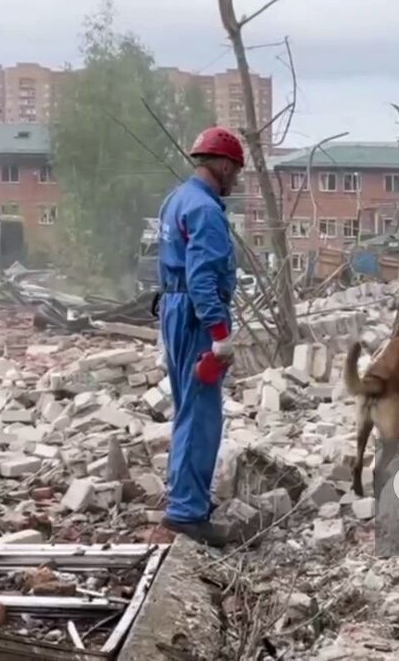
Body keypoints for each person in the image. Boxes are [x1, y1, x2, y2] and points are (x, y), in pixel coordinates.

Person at [155, 126, 243, 547]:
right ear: (224, 165)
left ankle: (185, 497)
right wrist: (220, 334)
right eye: (236, 172)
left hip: (174, 310)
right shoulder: (206, 210)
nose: (236, 180)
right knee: (201, 413)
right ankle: (187, 511)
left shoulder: (175, 200)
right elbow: (203, 277)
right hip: (196, 315)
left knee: (186, 408)